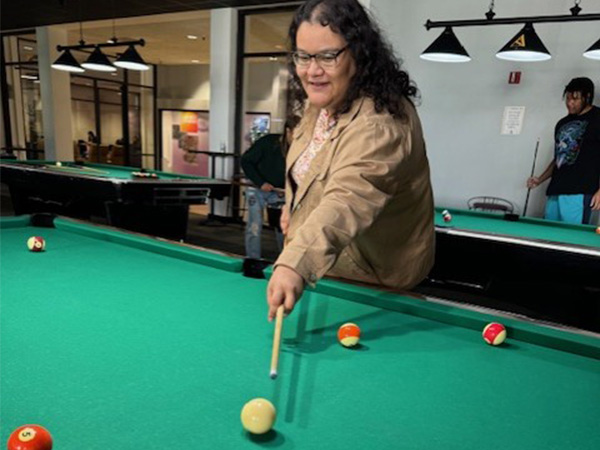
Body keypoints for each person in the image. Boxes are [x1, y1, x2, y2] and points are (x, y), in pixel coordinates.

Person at [266, 0, 435, 321]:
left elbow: (349, 197)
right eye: (303, 56)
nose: (312, 70)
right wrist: (293, 208)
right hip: (329, 266)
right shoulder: (320, 104)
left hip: (375, 279)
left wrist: (294, 263)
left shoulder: (381, 122)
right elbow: (309, 169)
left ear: (358, 53)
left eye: (328, 56)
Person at [527, 77, 600, 224]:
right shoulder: (562, 123)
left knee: (573, 239)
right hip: (555, 190)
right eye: (567, 98)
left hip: (580, 192)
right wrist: (540, 179)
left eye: (575, 99)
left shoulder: (598, 118)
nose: (569, 103)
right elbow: (559, 158)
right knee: (548, 236)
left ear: (587, 97)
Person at [241, 131, 287, 259]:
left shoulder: (297, 146)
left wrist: (286, 187)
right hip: (256, 189)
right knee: (255, 224)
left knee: (282, 226)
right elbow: (245, 161)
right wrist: (261, 182)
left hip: (278, 191)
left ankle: (285, 261)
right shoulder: (267, 142)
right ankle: (253, 260)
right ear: (288, 131)